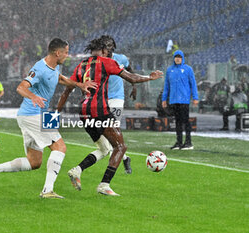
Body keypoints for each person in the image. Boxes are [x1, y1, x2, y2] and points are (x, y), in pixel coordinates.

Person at [0, 38, 97, 199]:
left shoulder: (54, 67)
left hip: (38, 114)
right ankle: (47, 190)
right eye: (66, 52)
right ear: (57, 52)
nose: (67, 55)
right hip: (33, 114)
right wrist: (33, 96)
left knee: (34, 162)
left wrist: (80, 85)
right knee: (60, 147)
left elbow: (60, 78)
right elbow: (21, 87)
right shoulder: (39, 68)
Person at [57, 38, 163, 196]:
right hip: (100, 110)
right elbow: (131, 77)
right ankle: (104, 185)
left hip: (84, 112)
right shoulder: (106, 62)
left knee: (104, 148)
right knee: (120, 147)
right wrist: (150, 77)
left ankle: (76, 170)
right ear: (104, 51)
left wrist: (55, 113)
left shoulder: (80, 66)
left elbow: (66, 91)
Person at [99, 35, 136, 174]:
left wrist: (134, 86)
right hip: (102, 99)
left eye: (109, 46)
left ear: (113, 47)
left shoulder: (121, 58)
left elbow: (130, 71)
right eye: (105, 46)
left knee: (111, 131)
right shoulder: (99, 61)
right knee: (105, 134)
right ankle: (125, 157)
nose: (107, 48)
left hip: (117, 99)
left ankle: (108, 177)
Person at [162, 50, 199, 150]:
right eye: (176, 57)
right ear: (173, 58)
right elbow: (166, 86)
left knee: (185, 121)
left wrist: (195, 97)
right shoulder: (170, 70)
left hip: (184, 100)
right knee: (177, 122)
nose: (177, 59)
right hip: (174, 100)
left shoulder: (188, 69)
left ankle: (188, 142)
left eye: (179, 57)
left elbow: (193, 84)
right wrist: (164, 98)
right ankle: (179, 142)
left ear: (182, 58)